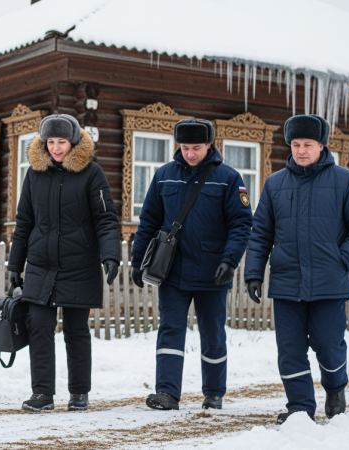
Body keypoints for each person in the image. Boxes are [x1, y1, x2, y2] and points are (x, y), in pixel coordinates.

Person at [244, 114, 349, 424]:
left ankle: (335, 388)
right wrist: (253, 273)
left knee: (329, 345)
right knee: (290, 349)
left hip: (330, 281)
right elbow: (260, 232)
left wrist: (342, 259)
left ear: (321, 145)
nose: (301, 150)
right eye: (296, 144)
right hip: (288, 281)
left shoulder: (345, 180)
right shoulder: (275, 184)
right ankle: (299, 407)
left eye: (308, 144)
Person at [130, 119, 252, 411]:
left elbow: (242, 223)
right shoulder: (163, 176)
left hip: (213, 272)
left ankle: (213, 393)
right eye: (185, 147)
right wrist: (137, 261)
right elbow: (148, 222)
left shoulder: (229, 178)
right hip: (172, 271)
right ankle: (167, 393)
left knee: (213, 332)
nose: (190, 154)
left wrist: (230, 260)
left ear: (209, 145)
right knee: (170, 329)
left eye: (196, 148)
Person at [7, 114, 120, 412]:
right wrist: (14, 265)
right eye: (51, 142)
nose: (57, 148)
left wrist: (110, 255)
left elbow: (106, 219)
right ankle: (42, 394)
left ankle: (79, 393)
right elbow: (24, 222)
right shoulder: (34, 174)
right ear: (44, 143)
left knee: (75, 329)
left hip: (79, 263)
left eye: (62, 142)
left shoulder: (92, 173)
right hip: (42, 264)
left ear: (73, 142)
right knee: (39, 327)